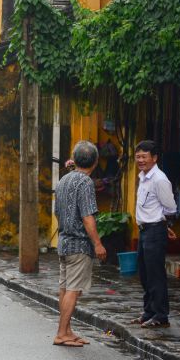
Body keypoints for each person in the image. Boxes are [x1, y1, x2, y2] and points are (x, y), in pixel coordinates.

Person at [53, 141, 107, 347]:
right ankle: (61, 333)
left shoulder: (64, 180)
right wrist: (98, 244)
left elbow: (57, 212)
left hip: (64, 241)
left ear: (74, 160)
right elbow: (87, 217)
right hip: (78, 244)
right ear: (95, 162)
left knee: (65, 287)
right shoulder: (85, 183)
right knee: (73, 289)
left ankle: (67, 330)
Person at [130, 140, 177, 328]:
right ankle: (148, 311)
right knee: (144, 273)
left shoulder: (159, 179)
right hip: (144, 231)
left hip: (154, 231)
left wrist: (164, 225)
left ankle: (160, 315)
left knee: (155, 274)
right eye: (138, 157)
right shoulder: (143, 177)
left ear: (154, 158)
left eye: (144, 156)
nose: (140, 160)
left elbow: (170, 207)